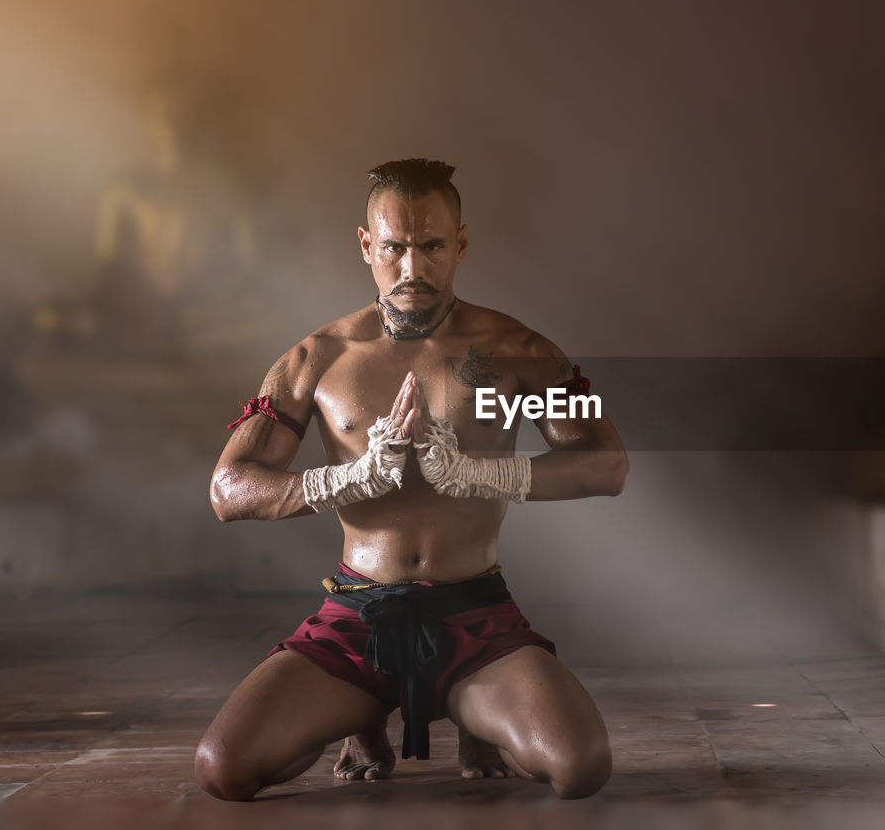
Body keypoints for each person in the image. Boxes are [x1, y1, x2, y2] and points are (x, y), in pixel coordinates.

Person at [193, 158, 628, 802]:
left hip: (475, 615)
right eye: (394, 247)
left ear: (460, 245)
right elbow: (229, 490)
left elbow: (605, 463)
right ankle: (361, 708)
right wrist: (347, 479)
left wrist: (480, 474)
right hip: (356, 617)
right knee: (223, 769)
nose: (413, 268)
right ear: (367, 244)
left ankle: (473, 714)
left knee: (580, 766)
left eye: (431, 247)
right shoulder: (319, 359)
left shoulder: (510, 351)